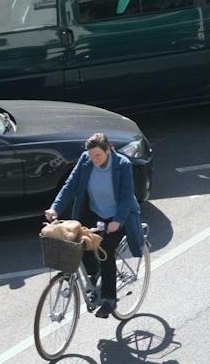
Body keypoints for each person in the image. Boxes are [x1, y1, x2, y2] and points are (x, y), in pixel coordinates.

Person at [44, 133, 144, 319]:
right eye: (91, 155)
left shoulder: (122, 165)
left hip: (116, 215)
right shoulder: (86, 160)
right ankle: (94, 273)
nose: (94, 159)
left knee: (105, 249)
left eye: (98, 155)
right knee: (79, 242)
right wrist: (55, 208)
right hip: (94, 210)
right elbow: (70, 185)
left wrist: (118, 221)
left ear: (108, 150)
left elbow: (126, 196)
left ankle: (109, 299)